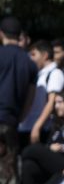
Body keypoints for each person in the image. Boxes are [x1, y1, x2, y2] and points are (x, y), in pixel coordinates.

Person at [0, 16, 36, 167]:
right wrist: (20, 117)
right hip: (11, 120)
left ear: (1, 34)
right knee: (8, 163)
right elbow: (30, 96)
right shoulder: (29, 62)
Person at [19, 40, 64, 146]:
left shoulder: (55, 73)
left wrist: (37, 126)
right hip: (26, 126)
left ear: (45, 55)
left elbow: (51, 102)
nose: (31, 58)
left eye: (34, 54)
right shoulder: (38, 75)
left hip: (42, 128)